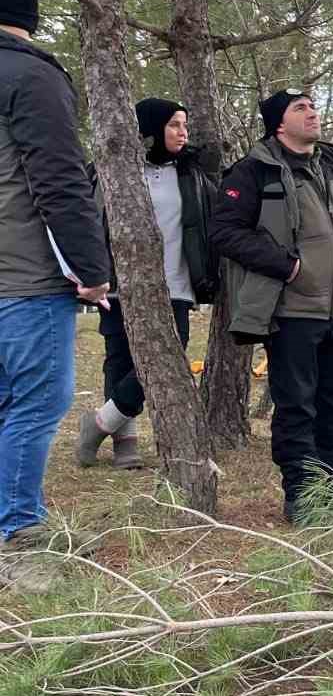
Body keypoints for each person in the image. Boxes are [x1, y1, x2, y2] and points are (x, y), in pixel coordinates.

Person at [213, 89, 333, 525]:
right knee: (297, 405)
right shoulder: (254, 171)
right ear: (278, 123)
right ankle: (302, 492)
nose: (312, 113)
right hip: (292, 311)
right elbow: (224, 231)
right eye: (299, 108)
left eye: (313, 106)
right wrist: (286, 266)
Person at [0, 0, 111, 588]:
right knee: (38, 401)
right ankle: (19, 534)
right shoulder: (30, 75)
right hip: (24, 275)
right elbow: (61, 181)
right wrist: (92, 270)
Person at [78, 99, 218, 471]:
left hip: (176, 283)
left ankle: (100, 423)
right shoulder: (112, 171)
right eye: (174, 124)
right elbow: (89, 220)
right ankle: (125, 441)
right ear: (151, 128)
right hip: (121, 283)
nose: (183, 132)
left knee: (171, 353)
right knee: (121, 359)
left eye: (184, 125)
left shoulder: (191, 173)